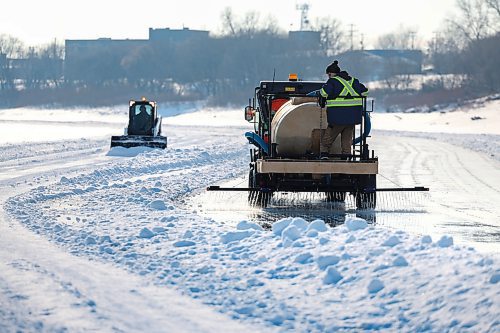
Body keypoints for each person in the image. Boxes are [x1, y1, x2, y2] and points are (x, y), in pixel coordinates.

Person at [309, 60, 368, 159]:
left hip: (337, 118)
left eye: (329, 74)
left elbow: (323, 93)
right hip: (353, 118)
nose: (328, 76)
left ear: (332, 73)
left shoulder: (333, 81)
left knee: (327, 140)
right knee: (347, 140)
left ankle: (324, 156)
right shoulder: (354, 81)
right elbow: (365, 92)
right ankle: (346, 158)